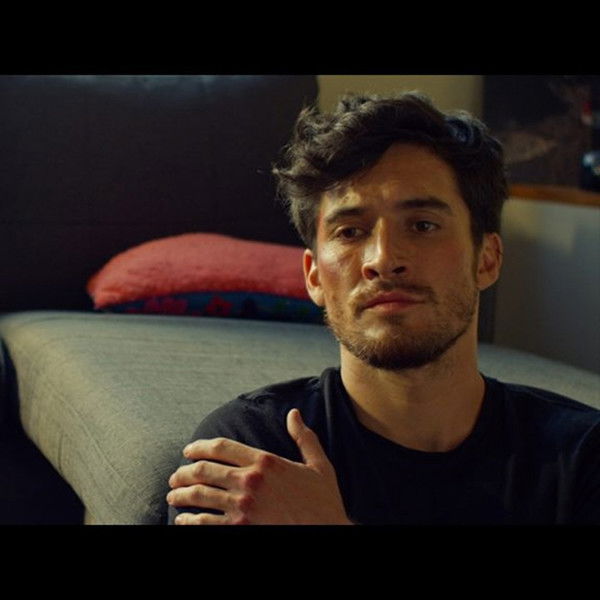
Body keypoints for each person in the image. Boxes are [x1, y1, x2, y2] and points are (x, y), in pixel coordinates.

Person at [166, 92, 600, 525]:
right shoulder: (251, 456)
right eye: (350, 231)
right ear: (314, 277)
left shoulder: (583, 455)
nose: (383, 258)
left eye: (423, 225)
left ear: (486, 259)